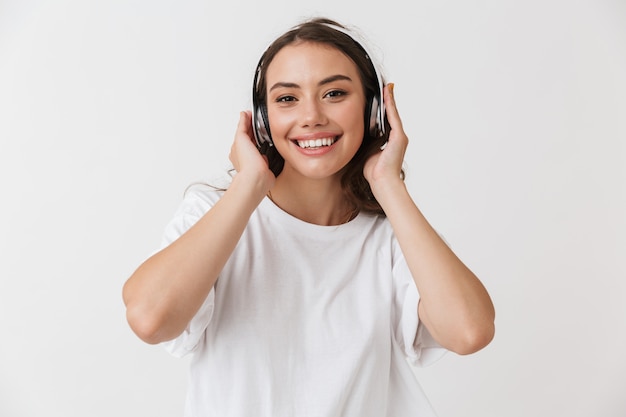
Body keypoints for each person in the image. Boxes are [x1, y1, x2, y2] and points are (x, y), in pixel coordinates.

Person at [122, 17, 495, 417]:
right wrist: (249, 185)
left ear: (375, 110)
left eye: (334, 93)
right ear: (263, 118)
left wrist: (388, 185)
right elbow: (150, 319)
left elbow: (469, 332)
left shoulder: (393, 237)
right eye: (287, 99)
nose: (312, 116)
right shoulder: (213, 214)